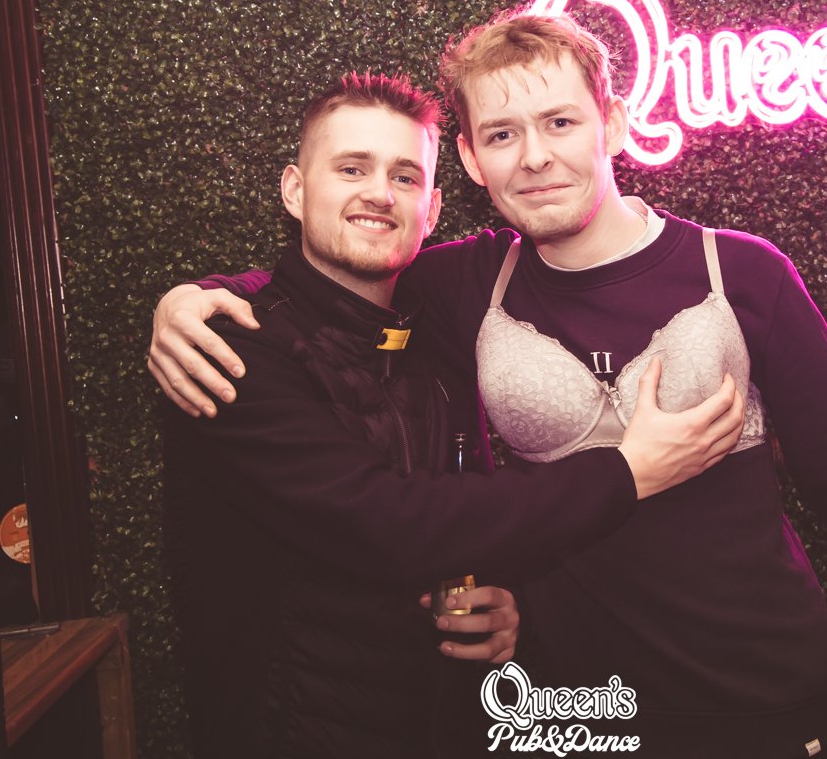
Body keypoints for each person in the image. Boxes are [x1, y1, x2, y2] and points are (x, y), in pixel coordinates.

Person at [153, 18, 827, 759]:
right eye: (503, 134)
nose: (535, 156)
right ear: (472, 161)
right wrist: (194, 299)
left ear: (612, 123)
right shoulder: (465, 285)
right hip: (567, 716)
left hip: (758, 703)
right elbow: (337, 277)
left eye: (559, 122)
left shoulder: (740, 273)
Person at [163, 72, 745, 759]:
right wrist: (626, 472)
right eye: (351, 169)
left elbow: (454, 520)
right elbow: (385, 523)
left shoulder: (431, 339)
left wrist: (496, 603)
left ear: (433, 209)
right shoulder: (230, 349)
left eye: (405, 176)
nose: (380, 194)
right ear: (294, 190)